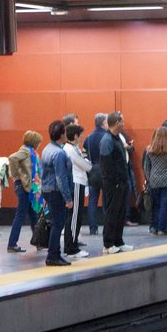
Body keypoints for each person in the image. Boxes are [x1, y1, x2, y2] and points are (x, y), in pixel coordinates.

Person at [99, 112, 133, 254]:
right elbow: (106, 165)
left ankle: (118, 241)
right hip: (114, 184)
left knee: (120, 213)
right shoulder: (107, 140)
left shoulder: (117, 138)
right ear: (117, 122)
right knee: (112, 213)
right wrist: (115, 182)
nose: (124, 123)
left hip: (122, 182)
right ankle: (108, 243)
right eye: (123, 121)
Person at [6, 130, 43, 253]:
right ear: (33, 142)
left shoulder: (31, 152)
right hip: (24, 187)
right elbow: (12, 158)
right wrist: (16, 176)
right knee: (21, 215)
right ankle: (12, 244)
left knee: (33, 215)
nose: (39, 145)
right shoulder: (26, 151)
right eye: (38, 142)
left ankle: (38, 241)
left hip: (29, 187)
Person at [40, 122, 71, 266]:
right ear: (62, 134)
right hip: (56, 191)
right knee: (58, 224)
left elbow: (44, 173)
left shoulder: (47, 149)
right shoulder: (59, 153)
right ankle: (53, 255)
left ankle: (55, 254)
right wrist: (68, 198)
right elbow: (61, 177)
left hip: (47, 190)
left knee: (54, 223)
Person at [143, 126, 167, 236]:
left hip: (154, 180)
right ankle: (162, 228)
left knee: (156, 205)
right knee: (165, 205)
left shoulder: (149, 150)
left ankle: (154, 227)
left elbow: (146, 167)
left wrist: (148, 178)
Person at [61, 124, 92, 259]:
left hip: (79, 182)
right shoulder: (69, 149)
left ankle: (72, 245)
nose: (82, 137)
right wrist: (88, 163)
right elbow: (85, 165)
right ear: (75, 136)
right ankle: (71, 248)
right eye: (81, 135)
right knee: (74, 216)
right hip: (76, 182)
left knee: (76, 216)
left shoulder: (73, 148)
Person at [83, 113, 108, 237]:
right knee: (106, 199)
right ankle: (108, 225)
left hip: (93, 171)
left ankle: (93, 228)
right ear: (103, 123)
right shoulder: (107, 137)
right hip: (105, 170)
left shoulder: (88, 138)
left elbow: (85, 155)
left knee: (92, 200)